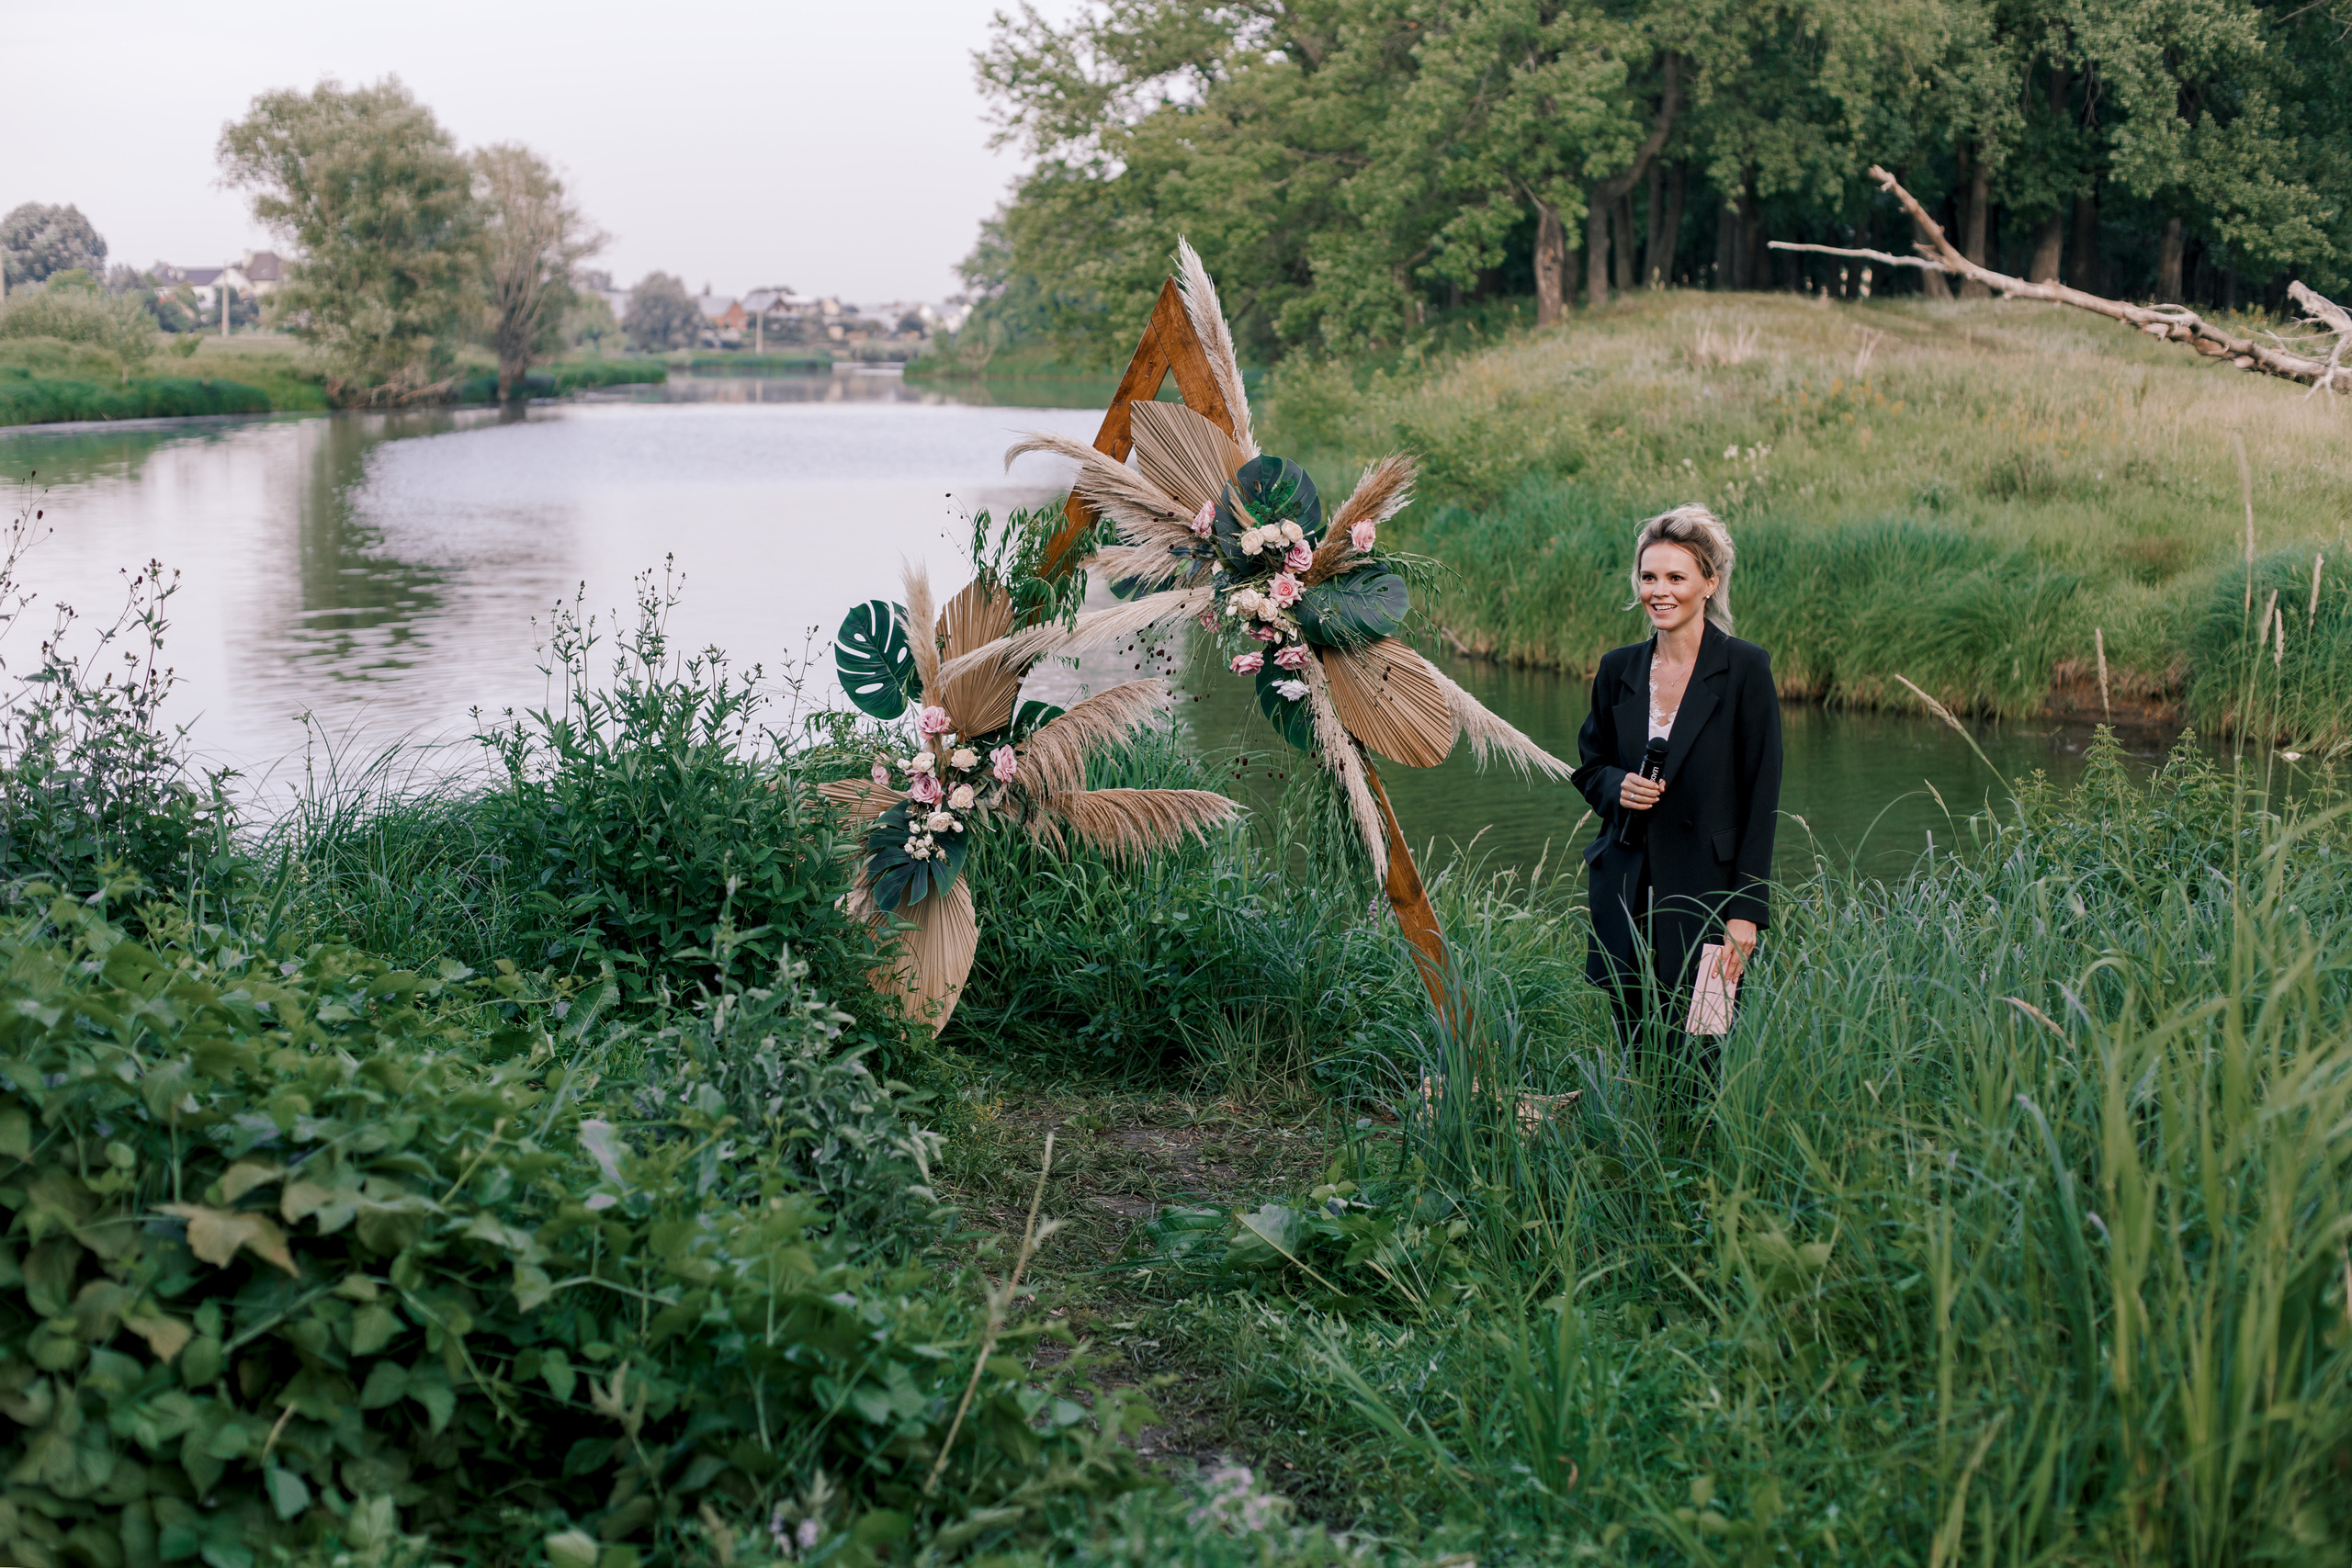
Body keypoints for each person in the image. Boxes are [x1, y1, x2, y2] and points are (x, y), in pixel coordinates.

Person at [1570, 504, 1782, 1075]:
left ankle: (1697, 1158)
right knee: (1641, 1055)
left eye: (1675, 577)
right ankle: (1638, 1156)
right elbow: (1589, 768)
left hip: (1709, 899)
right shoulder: (1618, 670)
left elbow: (1762, 800)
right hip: (1626, 887)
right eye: (1648, 577)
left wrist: (1747, 913)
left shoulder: (1745, 670)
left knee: (1705, 1060)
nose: (1658, 591)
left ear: (1709, 584)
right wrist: (1619, 786)